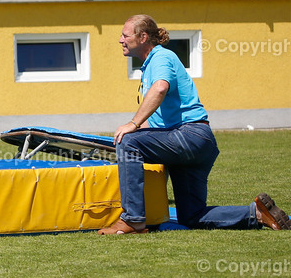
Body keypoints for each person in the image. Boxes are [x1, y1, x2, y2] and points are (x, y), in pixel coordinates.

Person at [101, 14, 290, 234]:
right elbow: (156, 122)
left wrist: (132, 124)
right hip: (198, 142)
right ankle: (256, 214)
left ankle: (133, 220)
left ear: (143, 37)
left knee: (130, 142)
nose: (120, 40)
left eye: (124, 35)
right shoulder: (152, 63)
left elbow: (160, 88)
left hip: (188, 136)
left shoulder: (160, 57)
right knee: (192, 215)